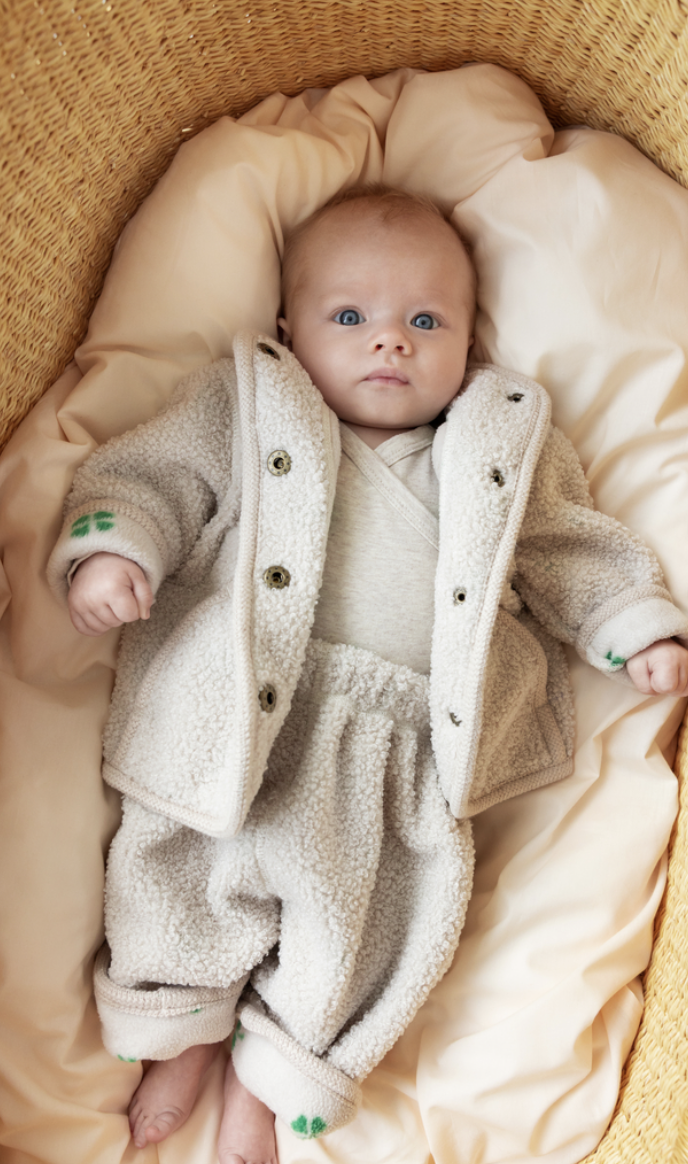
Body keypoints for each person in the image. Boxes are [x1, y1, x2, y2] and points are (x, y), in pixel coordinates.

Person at [49, 186, 688, 1164]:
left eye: (424, 322)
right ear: (288, 331)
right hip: (241, 707)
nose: (389, 341)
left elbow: (566, 547)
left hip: (399, 746)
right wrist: (115, 549)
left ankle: (272, 1075)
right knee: (181, 868)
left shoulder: (496, 446)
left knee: (368, 923)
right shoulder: (249, 403)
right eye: (349, 317)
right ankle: (184, 1028)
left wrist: (629, 625)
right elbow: (156, 475)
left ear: (470, 342)